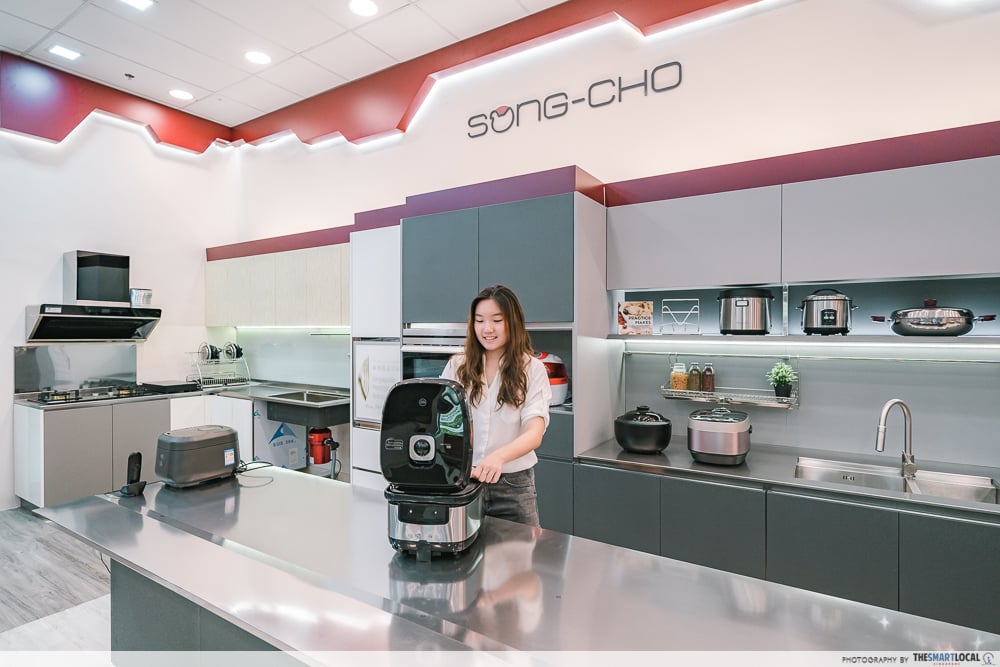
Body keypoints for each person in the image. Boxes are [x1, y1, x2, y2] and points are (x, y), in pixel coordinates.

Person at [441, 284, 551, 525]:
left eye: (497, 320)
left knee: (521, 550)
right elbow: (445, 423)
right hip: (464, 482)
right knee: (464, 548)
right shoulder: (457, 366)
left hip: (514, 487)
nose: (487, 329)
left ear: (513, 322)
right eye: (479, 320)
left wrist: (498, 457)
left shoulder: (532, 369)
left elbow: (534, 433)